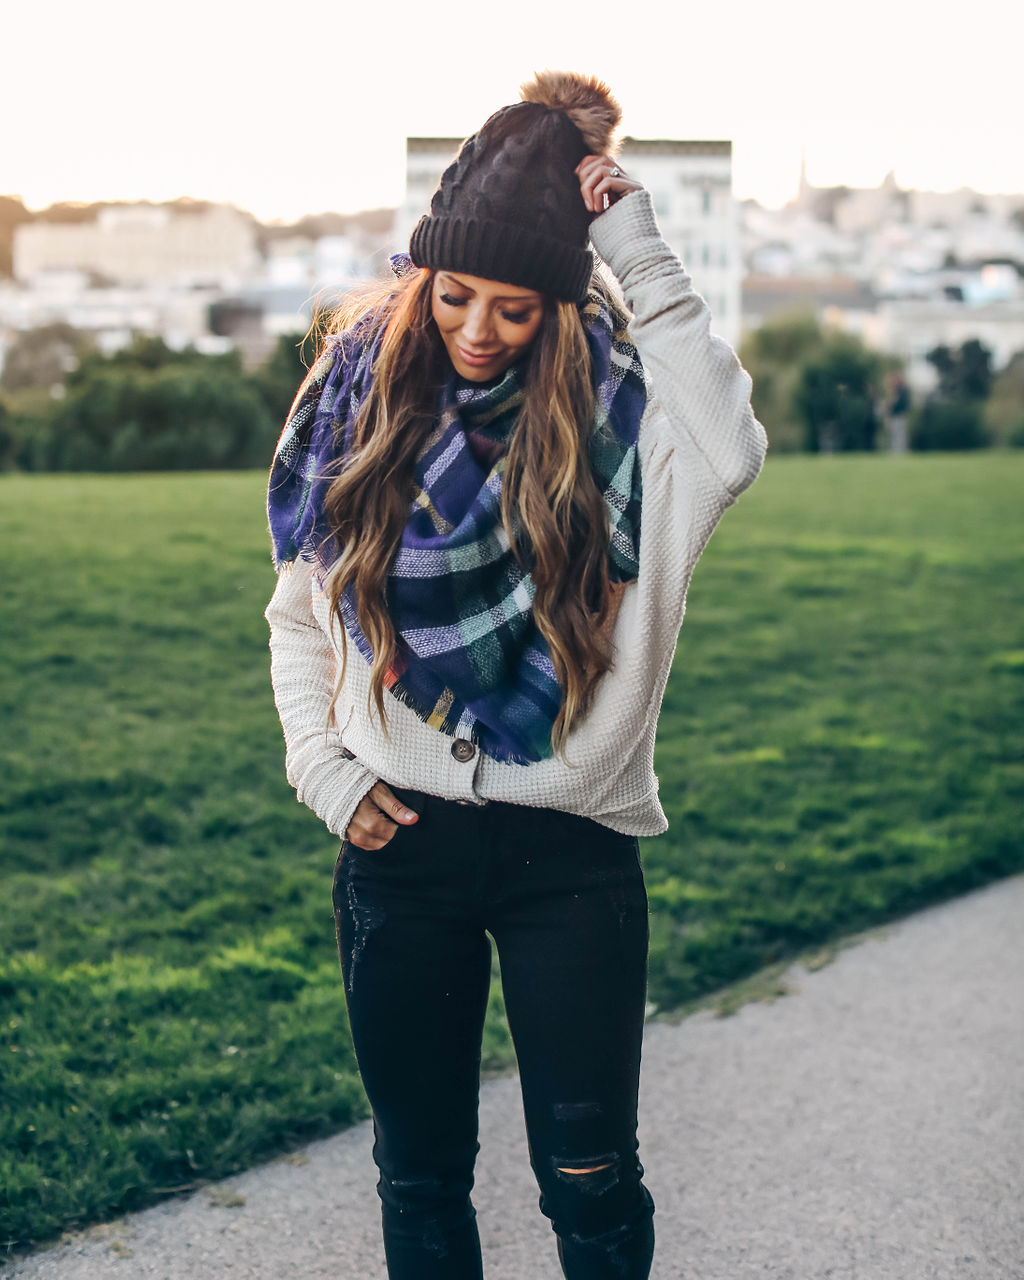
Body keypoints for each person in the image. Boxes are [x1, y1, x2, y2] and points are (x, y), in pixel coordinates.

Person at [265, 70, 766, 1280]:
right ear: (422, 279)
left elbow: (732, 444)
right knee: (420, 1172)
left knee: (590, 1181)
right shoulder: (362, 399)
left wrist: (633, 239)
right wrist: (319, 764)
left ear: (559, 303)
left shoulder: (632, 427)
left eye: (514, 308)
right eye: (453, 296)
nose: (477, 329)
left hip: (572, 853)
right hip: (399, 851)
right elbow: (298, 609)